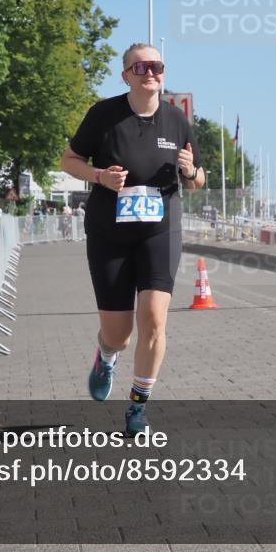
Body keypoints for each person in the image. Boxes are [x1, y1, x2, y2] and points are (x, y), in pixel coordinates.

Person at [60, 43, 204, 436]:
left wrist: (190, 172)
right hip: (110, 233)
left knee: (154, 320)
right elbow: (68, 160)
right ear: (126, 75)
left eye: (156, 66)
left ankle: (138, 406)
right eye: (140, 67)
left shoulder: (176, 120)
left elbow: (198, 180)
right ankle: (106, 356)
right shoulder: (104, 115)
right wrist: (100, 177)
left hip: (160, 230)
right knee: (118, 334)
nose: (150, 72)